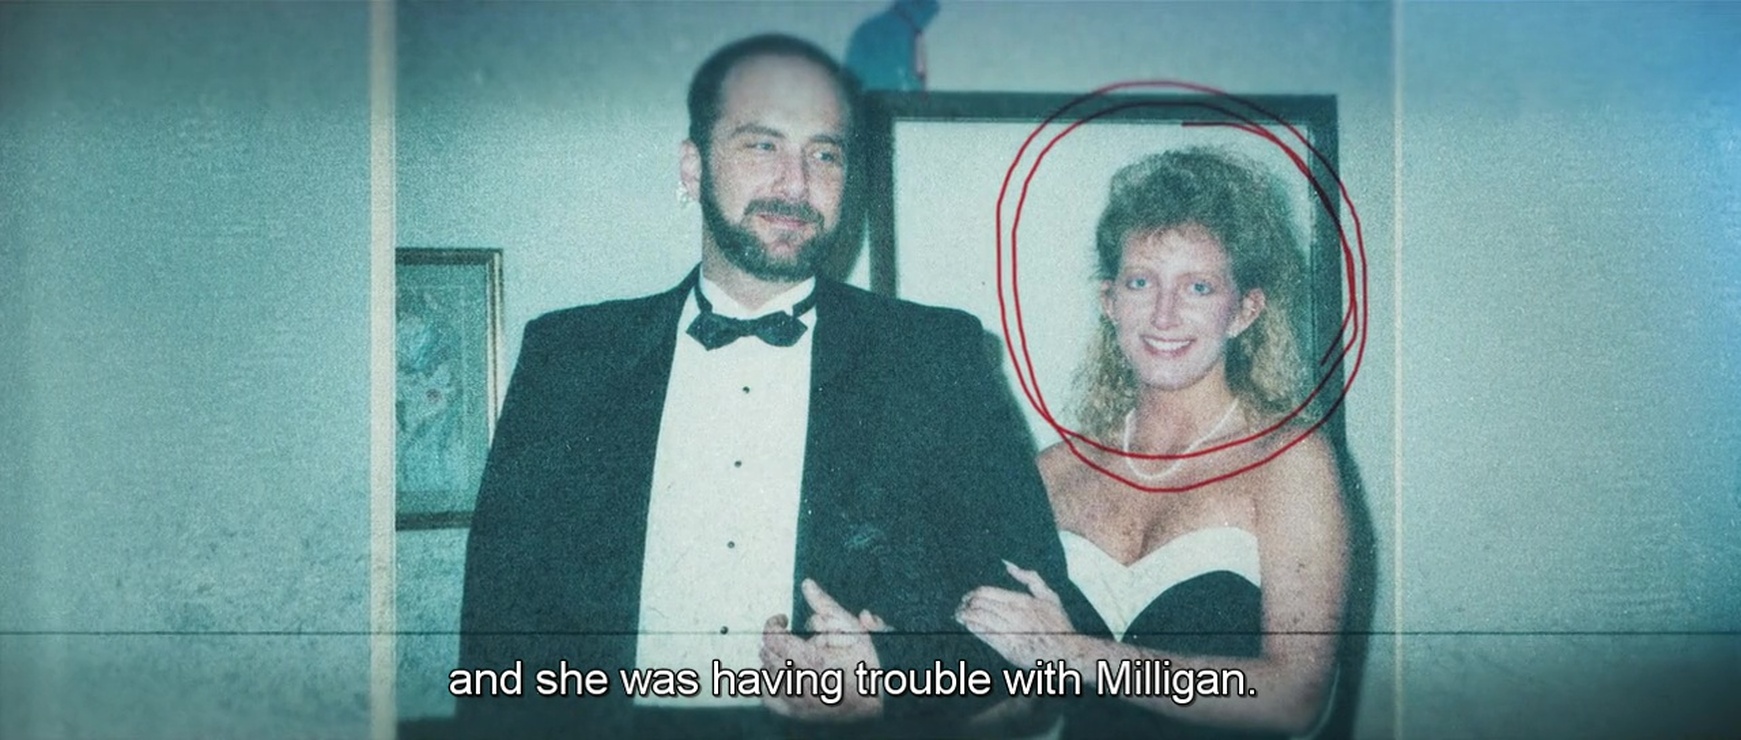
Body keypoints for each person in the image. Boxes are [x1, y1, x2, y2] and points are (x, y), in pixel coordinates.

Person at [455, 34, 1087, 739]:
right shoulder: (569, 357)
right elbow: (497, 630)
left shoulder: (936, 356)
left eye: (825, 154)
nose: (795, 184)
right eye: (762, 145)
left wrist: (893, 684)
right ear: (693, 167)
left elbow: (1039, 620)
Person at [954, 148, 1349, 739]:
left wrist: (1077, 655)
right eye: (1141, 283)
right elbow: (1022, 704)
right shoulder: (1054, 473)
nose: (1164, 315)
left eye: (1198, 287)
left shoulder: (1288, 462)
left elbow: (1296, 698)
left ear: (1245, 311)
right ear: (1109, 300)